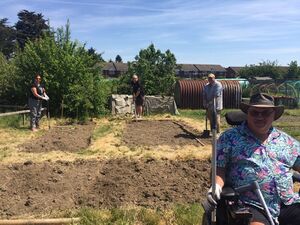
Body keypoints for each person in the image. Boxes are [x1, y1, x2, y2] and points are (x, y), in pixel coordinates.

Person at [206, 93, 300, 225]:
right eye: (254, 112)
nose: (259, 116)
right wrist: (216, 187)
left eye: (266, 113)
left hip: (287, 202)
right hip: (250, 204)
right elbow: (219, 168)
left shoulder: (286, 141)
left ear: (274, 115)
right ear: (247, 114)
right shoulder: (229, 138)